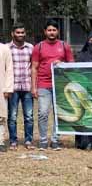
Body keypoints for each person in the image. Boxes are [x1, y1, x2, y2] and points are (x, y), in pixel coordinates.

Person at [31, 19, 75, 151]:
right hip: (43, 84)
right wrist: (33, 87)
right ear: (45, 32)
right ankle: (43, 140)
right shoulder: (38, 47)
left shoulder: (64, 46)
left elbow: (72, 65)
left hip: (60, 85)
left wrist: (61, 64)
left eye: (54, 30)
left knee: (59, 113)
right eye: (49, 30)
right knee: (43, 113)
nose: (51, 32)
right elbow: (34, 68)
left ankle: (55, 140)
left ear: (58, 31)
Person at [7, 23, 34, 151]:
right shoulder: (6, 48)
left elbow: (34, 67)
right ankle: (13, 141)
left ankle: (28, 140)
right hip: (12, 87)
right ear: (12, 34)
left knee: (29, 116)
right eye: (18, 32)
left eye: (22, 32)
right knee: (12, 116)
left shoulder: (31, 48)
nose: (20, 35)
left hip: (27, 87)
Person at [0, 42, 13, 152]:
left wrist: (8, 88)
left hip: (1, 87)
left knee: (1, 116)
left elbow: (9, 69)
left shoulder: (4, 48)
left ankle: (0, 141)